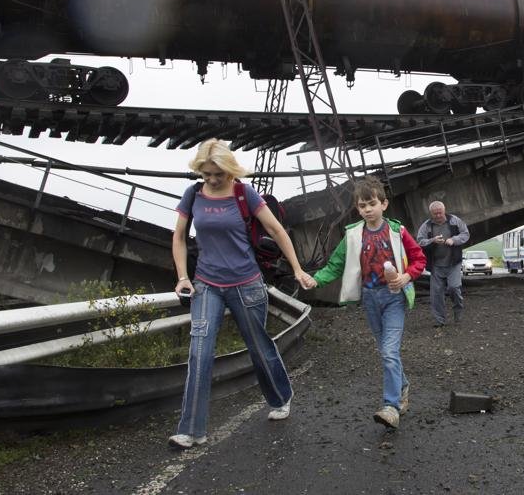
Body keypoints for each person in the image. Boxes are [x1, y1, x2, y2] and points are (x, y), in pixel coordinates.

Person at [168, 139, 316, 450]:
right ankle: (192, 430)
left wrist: (298, 269)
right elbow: (179, 236)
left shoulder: (243, 193)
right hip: (206, 283)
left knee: (258, 347)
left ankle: (280, 397)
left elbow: (276, 230)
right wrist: (183, 276)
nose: (210, 180)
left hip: (246, 284)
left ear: (230, 170)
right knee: (200, 352)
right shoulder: (193, 194)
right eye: (205, 174)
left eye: (216, 174)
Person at [306, 176, 426, 430]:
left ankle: (390, 406)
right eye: (362, 206)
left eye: (372, 203)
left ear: (384, 204)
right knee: (385, 351)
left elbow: (418, 259)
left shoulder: (397, 231)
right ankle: (403, 386)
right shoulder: (352, 235)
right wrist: (315, 280)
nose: (367, 209)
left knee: (390, 351)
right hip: (370, 299)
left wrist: (406, 276)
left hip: (394, 297)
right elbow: (336, 265)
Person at [416, 201, 470, 327]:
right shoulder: (427, 226)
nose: (438, 215)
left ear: (444, 210)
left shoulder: (454, 221)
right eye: (435, 213)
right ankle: (440, 321)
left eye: (440, 212)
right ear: (431, 214)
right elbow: (419, 241)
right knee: (436, 295)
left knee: (454, 287)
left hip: (453, 263)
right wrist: (432, 240)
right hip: (436, 265)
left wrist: (454, 240)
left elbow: (465, 234)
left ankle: (458, 311)